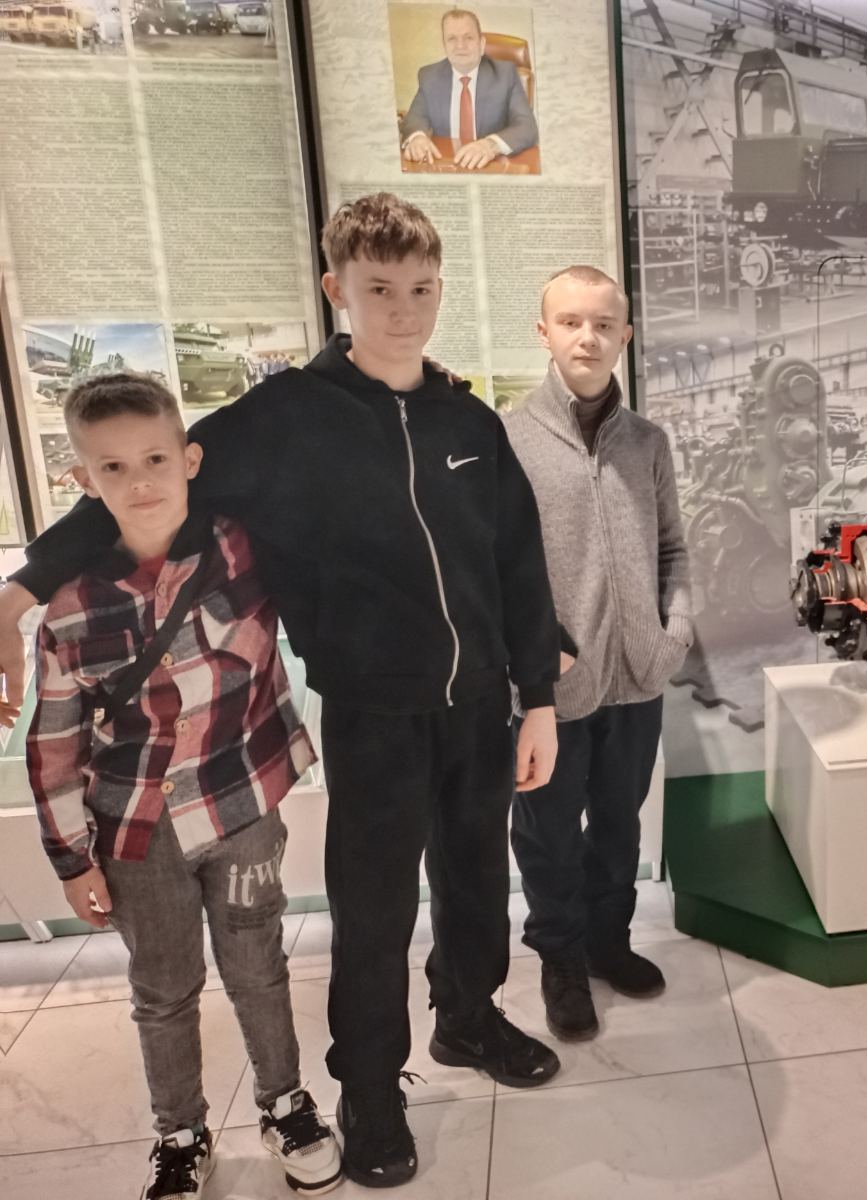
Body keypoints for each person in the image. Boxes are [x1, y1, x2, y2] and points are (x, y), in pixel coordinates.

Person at [0, 193, 566, 1188]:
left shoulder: (468, 420)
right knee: (375, 909)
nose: (403, 310)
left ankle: (469, 1016)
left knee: (479, 878)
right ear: (337, 288)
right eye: (380, 289)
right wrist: (22, 587)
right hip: (374, 712)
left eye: (422, 288)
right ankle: (371, 1089)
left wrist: (539, 696)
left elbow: (516, 561)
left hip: (481, 704)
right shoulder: (279, 420)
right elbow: (147, 484)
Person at [25, 373, 340, 1200]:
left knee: (258, 965)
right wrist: (71, 860)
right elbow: (54, 744)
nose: (141, 482)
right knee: (163, 990)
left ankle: (285, 1102)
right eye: (114, 468)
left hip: (241, 804)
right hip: (137, 831)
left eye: (157, 458)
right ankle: (180, 1131)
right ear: (84, 480)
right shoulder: (69, 607)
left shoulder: (244, 548)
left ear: (191, 458)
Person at [501, 266, 691, 1041]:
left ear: (626, 336)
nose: (589, 337)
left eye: (604, 324)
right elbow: (491, 565)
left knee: (619, 823)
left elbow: (674, 548)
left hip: (639, 679)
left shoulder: (648, 443)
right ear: (544, 332)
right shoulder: (508, 439)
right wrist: (535, 653)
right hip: (551, 691)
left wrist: (674, 632)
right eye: (572, 322)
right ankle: (562, 959)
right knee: (546, 833)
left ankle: (609, 941)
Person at [399, 7, 538, 170]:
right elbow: (414, 118)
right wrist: (417, 138)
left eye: (468, 38)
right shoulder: (430, 76)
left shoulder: (505, 74)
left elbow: (527, 127)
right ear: (444, 45)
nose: (460, 46)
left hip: (491, 166)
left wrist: (490, 145)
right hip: (447, 164)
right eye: (452, 38)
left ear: (482, 44)